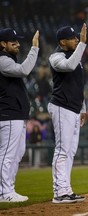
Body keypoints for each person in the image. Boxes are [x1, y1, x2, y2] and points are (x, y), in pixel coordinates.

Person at [48, 24, 87, 204]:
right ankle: (59, 192)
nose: (77, 40)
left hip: (74, 108)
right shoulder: (56, 56)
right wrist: (82, 45)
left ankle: (66, 189)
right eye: (73, 38)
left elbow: (79, 85)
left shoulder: (74, 56)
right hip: (61, 106)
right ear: (63, 41)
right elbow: (69, 67)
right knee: (62, 150)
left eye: (77, 37)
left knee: (70, 152)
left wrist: (83, 108)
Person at [0, 28, 39, 202]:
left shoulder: (9, 60)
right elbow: (25, 70)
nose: (17, 44)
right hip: (8, 114)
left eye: (17, 41)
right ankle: (3, 191)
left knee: (17, 152)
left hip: (17, 114)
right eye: (13, 41)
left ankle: (9, 189)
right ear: (2, 44)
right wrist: (34, 48)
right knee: (7, 153)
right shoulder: (2, 60)